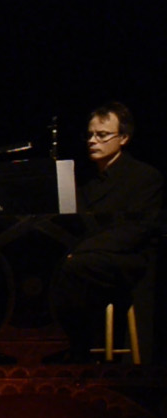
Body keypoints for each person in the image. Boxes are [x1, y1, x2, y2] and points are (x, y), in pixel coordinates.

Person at [53, 102, 163, 359]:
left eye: (102, 135)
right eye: (90, 135)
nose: (93, 141)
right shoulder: (84, 179)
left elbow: (136, 231)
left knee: (72, 267)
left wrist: (79, 250)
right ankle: (49, 344)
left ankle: (74, 347)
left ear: (123, 138)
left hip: (127, 259)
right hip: (88, 255)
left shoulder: (145, 177)